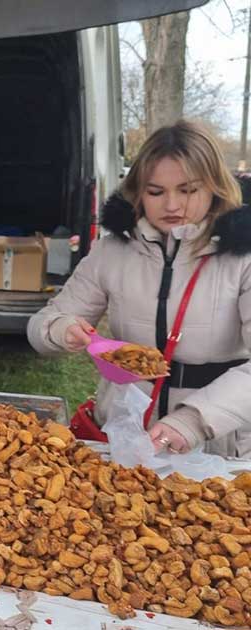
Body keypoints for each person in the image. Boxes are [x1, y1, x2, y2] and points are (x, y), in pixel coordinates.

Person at [28, 120, 251, 458]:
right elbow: (44, 323)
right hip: (123, 429)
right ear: (138, 192)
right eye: (156, 192)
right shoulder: (112, 250)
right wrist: (61, 330)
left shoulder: (243, 255)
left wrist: (194, 420)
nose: (172, 205)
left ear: (214, 187)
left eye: (188, 191)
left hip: (217, 442)